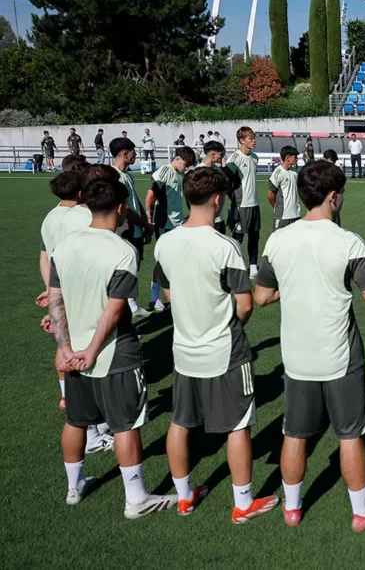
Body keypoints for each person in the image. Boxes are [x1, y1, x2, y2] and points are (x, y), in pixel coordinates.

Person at [254, 161, 365, 529]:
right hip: (339, 355)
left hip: (296, 356)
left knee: (294, 433)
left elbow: (262, 296)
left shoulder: (278, 239)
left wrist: (294, 286)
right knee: (350, 434)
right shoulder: (348, 242)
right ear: (333, 196)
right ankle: (361, 511)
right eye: (340, 193)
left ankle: (292, 508)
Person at [153, 167, 279, 523]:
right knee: (238, 424)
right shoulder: (225, 247)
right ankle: (242, 503)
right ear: (218, 199)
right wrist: (224, 323)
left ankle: (184, 497)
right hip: (225, 350)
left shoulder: (165, 243)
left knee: (180, 421)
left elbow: (167, 292)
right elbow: (245, 305)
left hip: (184, 348)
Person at [47, 178, 177, 518]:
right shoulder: (122, 251)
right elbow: (114, 309)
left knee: (76, 421)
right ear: (120, 207)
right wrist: (92, 350)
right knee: (125, 425)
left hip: (73, 353)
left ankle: (74, 487)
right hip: (115, 352)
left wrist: (65, 349)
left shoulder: (66, 246)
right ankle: (136, 499)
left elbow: (55, 300)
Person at [38, 171, 112, 447]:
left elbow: (44, 257)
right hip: (81, 288)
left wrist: (51, 290)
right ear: (81, 192)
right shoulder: (82, 217)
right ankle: (91, 427)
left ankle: (68, 398)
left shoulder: (50, 217)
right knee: (88, 349)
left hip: (61, 287)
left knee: (65, 345)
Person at [146, 146, 196, 311]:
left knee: (179, 259)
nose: (186, 168)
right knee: (162, 261)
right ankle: (154, 297)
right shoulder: (163, 172)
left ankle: (177, 292)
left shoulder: (181, 174)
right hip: (164, 223)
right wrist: (148, 215)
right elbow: (150, 196)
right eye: (185, 164)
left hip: (178, 223)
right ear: (177, 159)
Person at [109, 137, 152, 316]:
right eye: (134, 153)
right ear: (125, 154)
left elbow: (134, 201)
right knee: (124, 271)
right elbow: (125, 208)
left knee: (134, 266)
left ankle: (132, 306)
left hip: (136, 227)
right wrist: (145, 225)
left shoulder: (128, 175)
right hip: (124, 228)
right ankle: (125, 311)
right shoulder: (114, 176)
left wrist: (145, 222)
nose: (136, 156)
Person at [226, 127, 261, 277]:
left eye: (254, 138)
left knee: (254, 236)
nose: (254, 141)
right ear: (241, 140)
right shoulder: (235, 158)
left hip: (254, 204)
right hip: (241, 205)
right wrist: (234, 200)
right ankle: (233, 267)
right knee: (238, 238)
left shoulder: (255, 157)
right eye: (250, 138)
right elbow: (226, 180)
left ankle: (253, 267)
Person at [195, 140, 230, 233]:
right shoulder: (198, 171)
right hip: (203, 220)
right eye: (221, 154)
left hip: (219, 219)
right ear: (213, 155)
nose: (222, 157)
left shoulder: (218, 170)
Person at [268, 146, 301, 230]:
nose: (297, 159)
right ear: (287, 158)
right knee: (279, 238)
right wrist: (277, 208)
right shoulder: (278, 173)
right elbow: (270, 195)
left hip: (296, 215)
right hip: (283, 216)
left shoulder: (295, 172)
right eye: (295, 157)